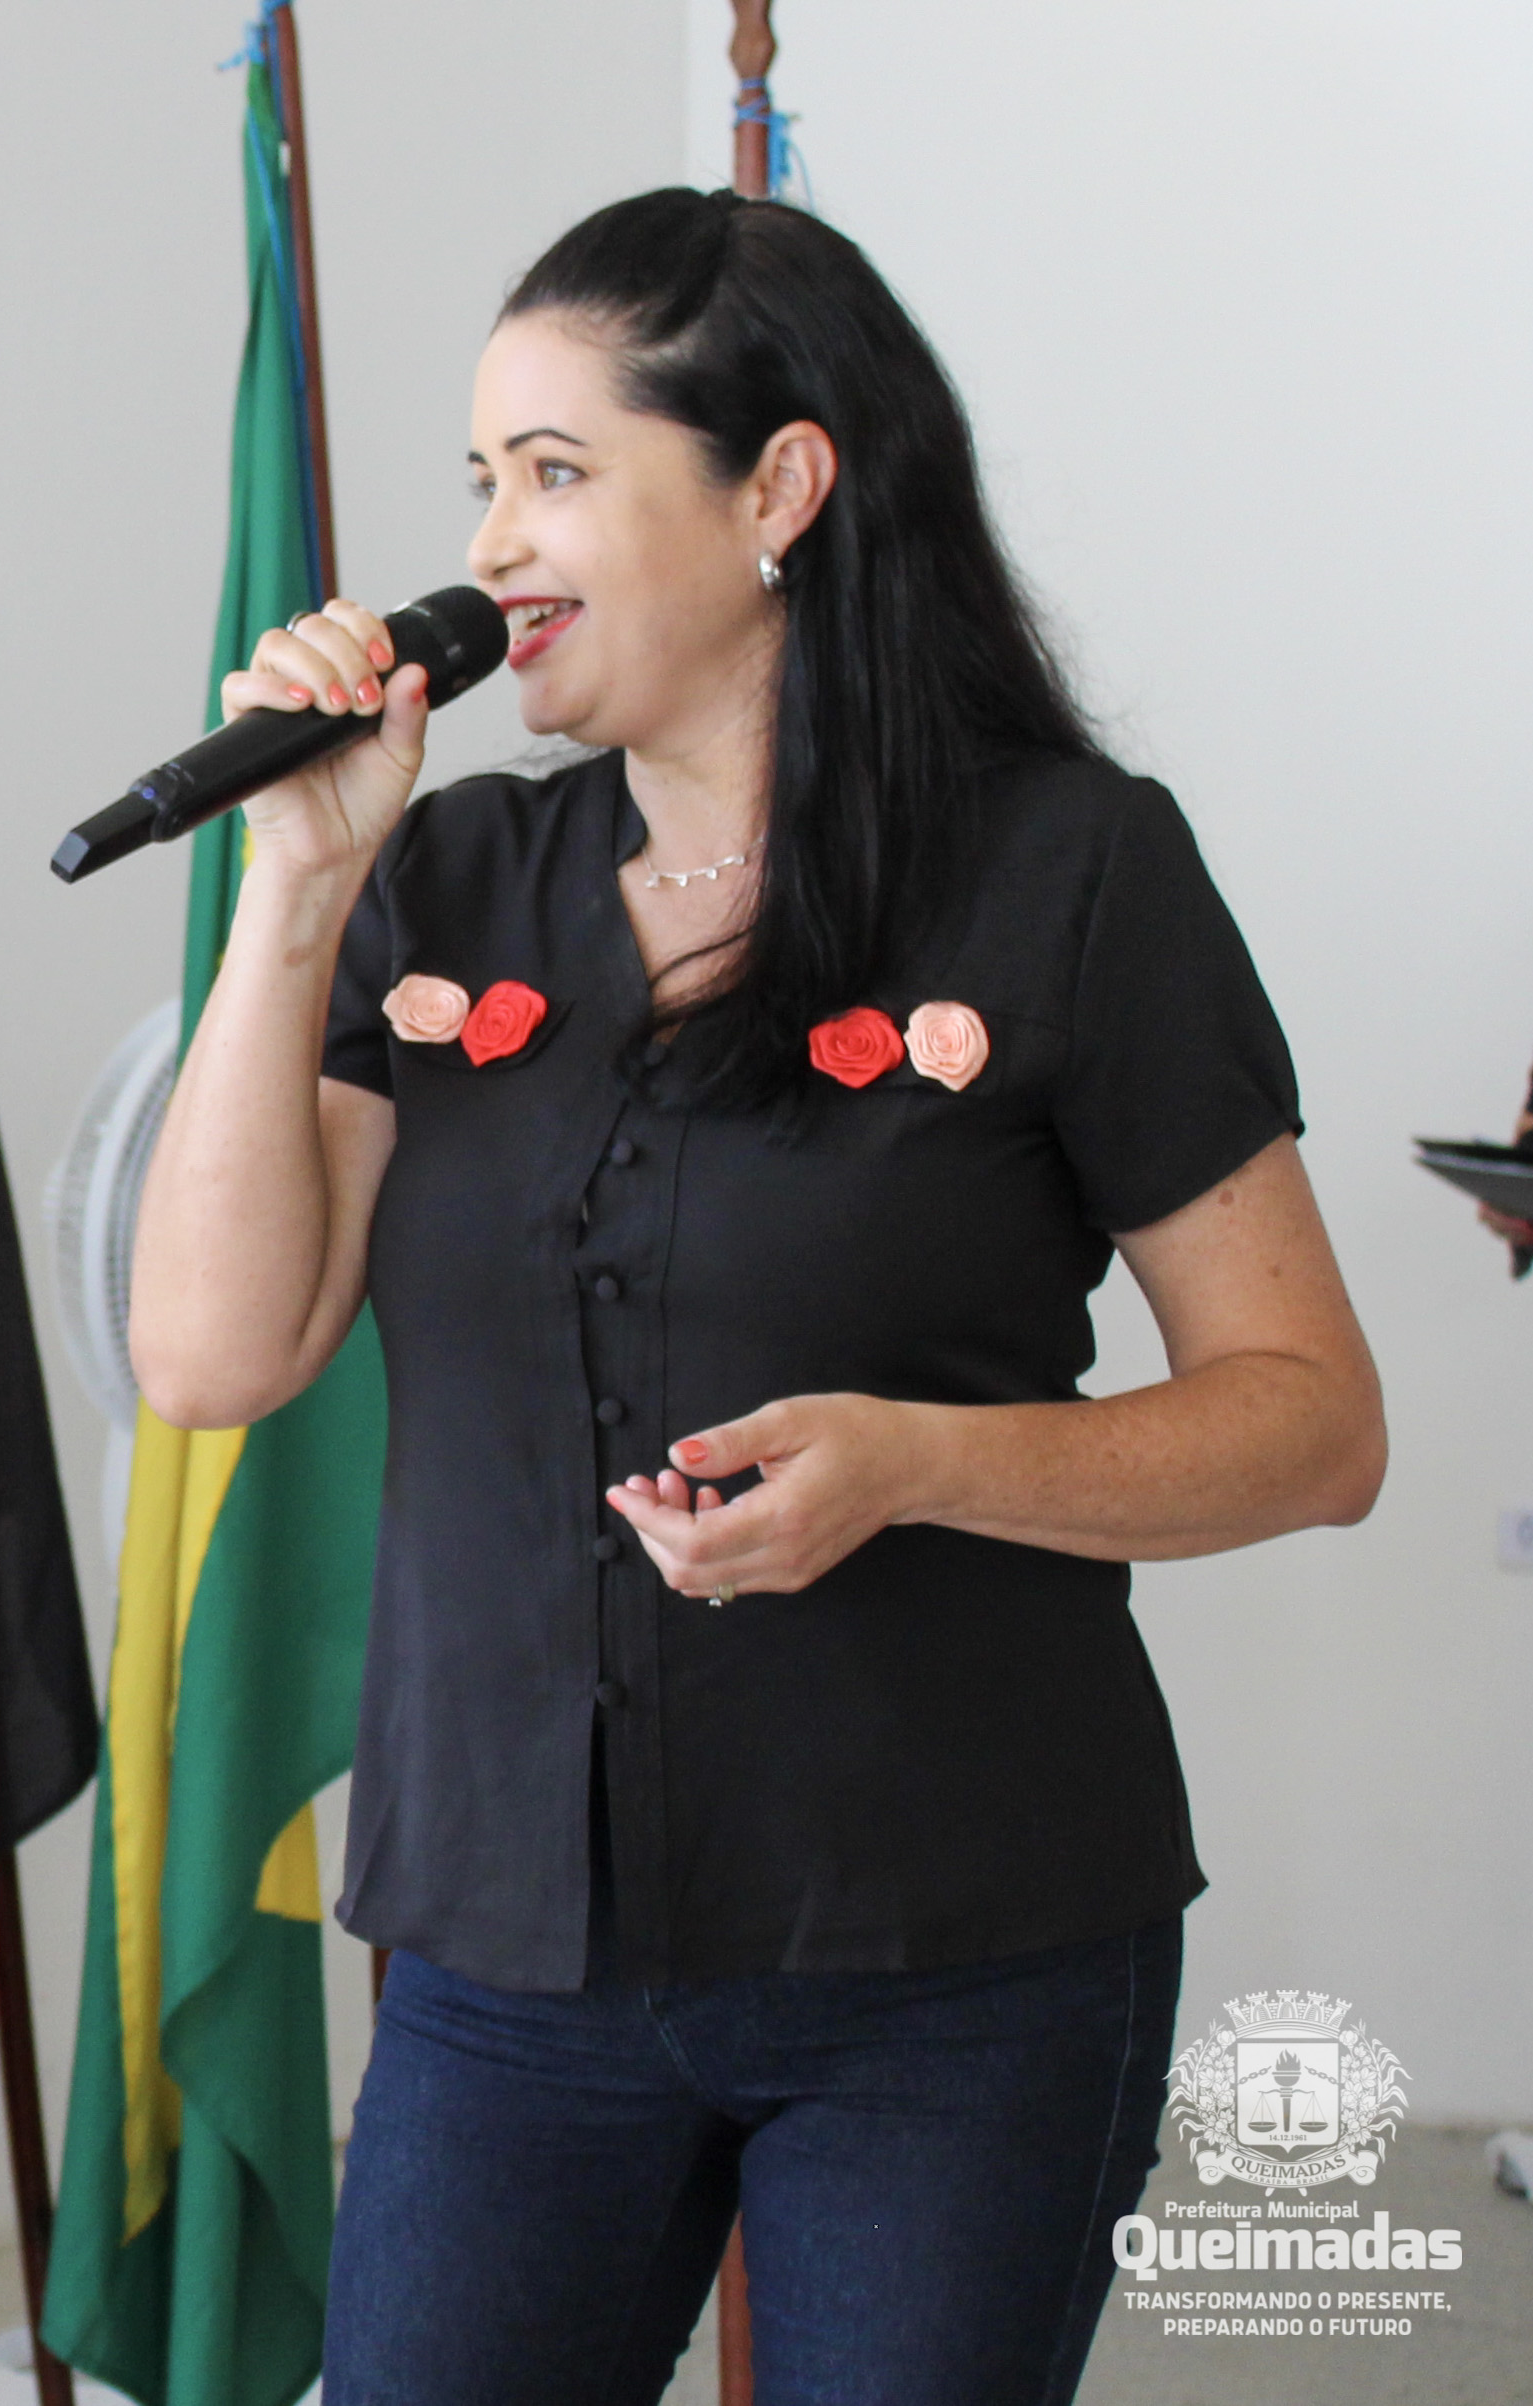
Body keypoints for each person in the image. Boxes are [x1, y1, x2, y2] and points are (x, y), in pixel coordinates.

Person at [129, 190, 1383, 2406]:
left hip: (955, 1956)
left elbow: (1310, 1422)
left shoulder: (1069, 870)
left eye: (555, 472)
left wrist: (915, 1465)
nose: (489, 548)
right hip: (507, 1956)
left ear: (777, 487)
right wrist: (293, 889)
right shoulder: (444, 878)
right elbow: (209, 1353)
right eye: (478, 480)